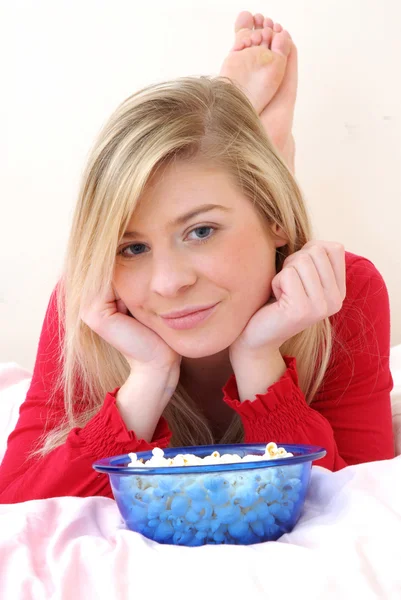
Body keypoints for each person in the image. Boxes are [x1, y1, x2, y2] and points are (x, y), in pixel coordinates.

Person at [0, 11, 394, 504]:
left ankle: (253, 145)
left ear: (277, 219)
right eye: (132, 246)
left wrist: (258, 360)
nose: (167, 283)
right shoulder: (91, 300)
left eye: (201, 230)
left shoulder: (344, 290)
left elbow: (362, 504)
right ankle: (250, 142)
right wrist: (147, 379)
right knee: (200, 186)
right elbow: (18, 507)